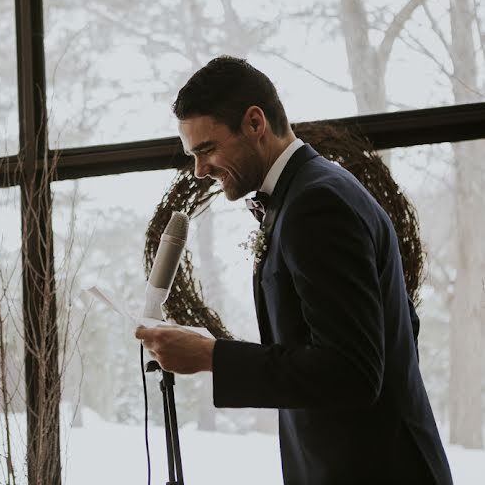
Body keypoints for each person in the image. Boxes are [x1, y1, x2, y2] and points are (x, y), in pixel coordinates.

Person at [135, 56, 452, 484]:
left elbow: (353, 373)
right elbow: (393, 329)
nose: (200, 169)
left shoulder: (316, 205)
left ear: (254, 122)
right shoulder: (310, 192)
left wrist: (212, 357)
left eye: (206, 149)